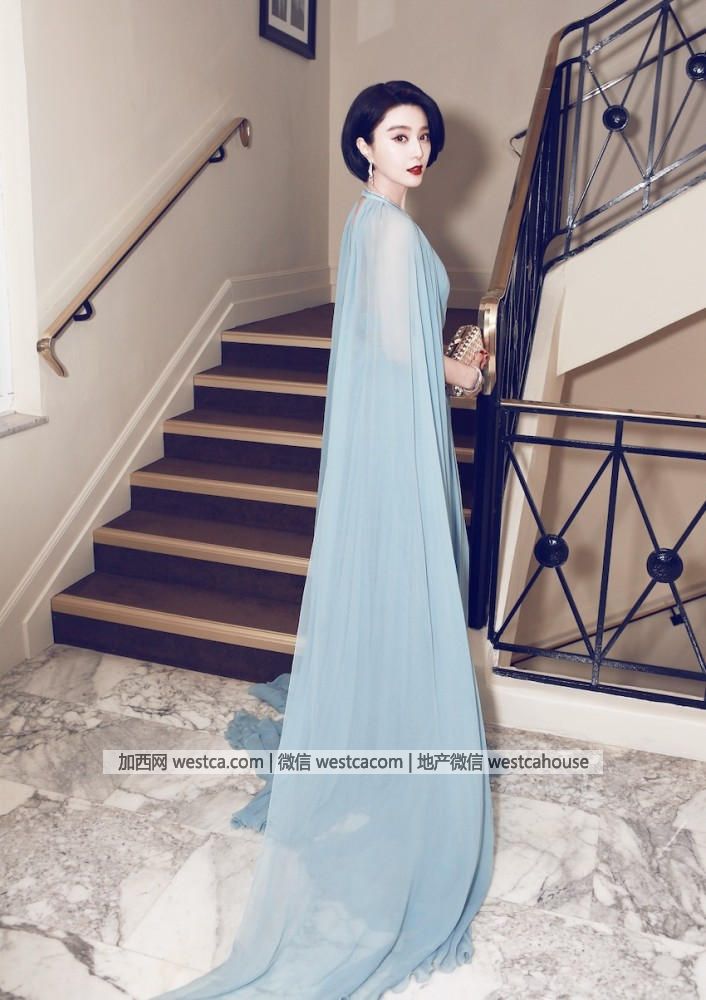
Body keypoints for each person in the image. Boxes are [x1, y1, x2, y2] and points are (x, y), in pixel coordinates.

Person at [155, 79, 494, 1000]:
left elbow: (390, 346)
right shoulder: (389, 232)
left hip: (388, 434)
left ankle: (381, 728)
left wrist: (449, 364)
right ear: (364, 147)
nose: (417, 149)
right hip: (395, 444)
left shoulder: (369, 223)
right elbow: (397, 353)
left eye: (423, 135)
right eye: (398, 135)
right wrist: (463, 369)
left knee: (393, 594)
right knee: (409, 588)